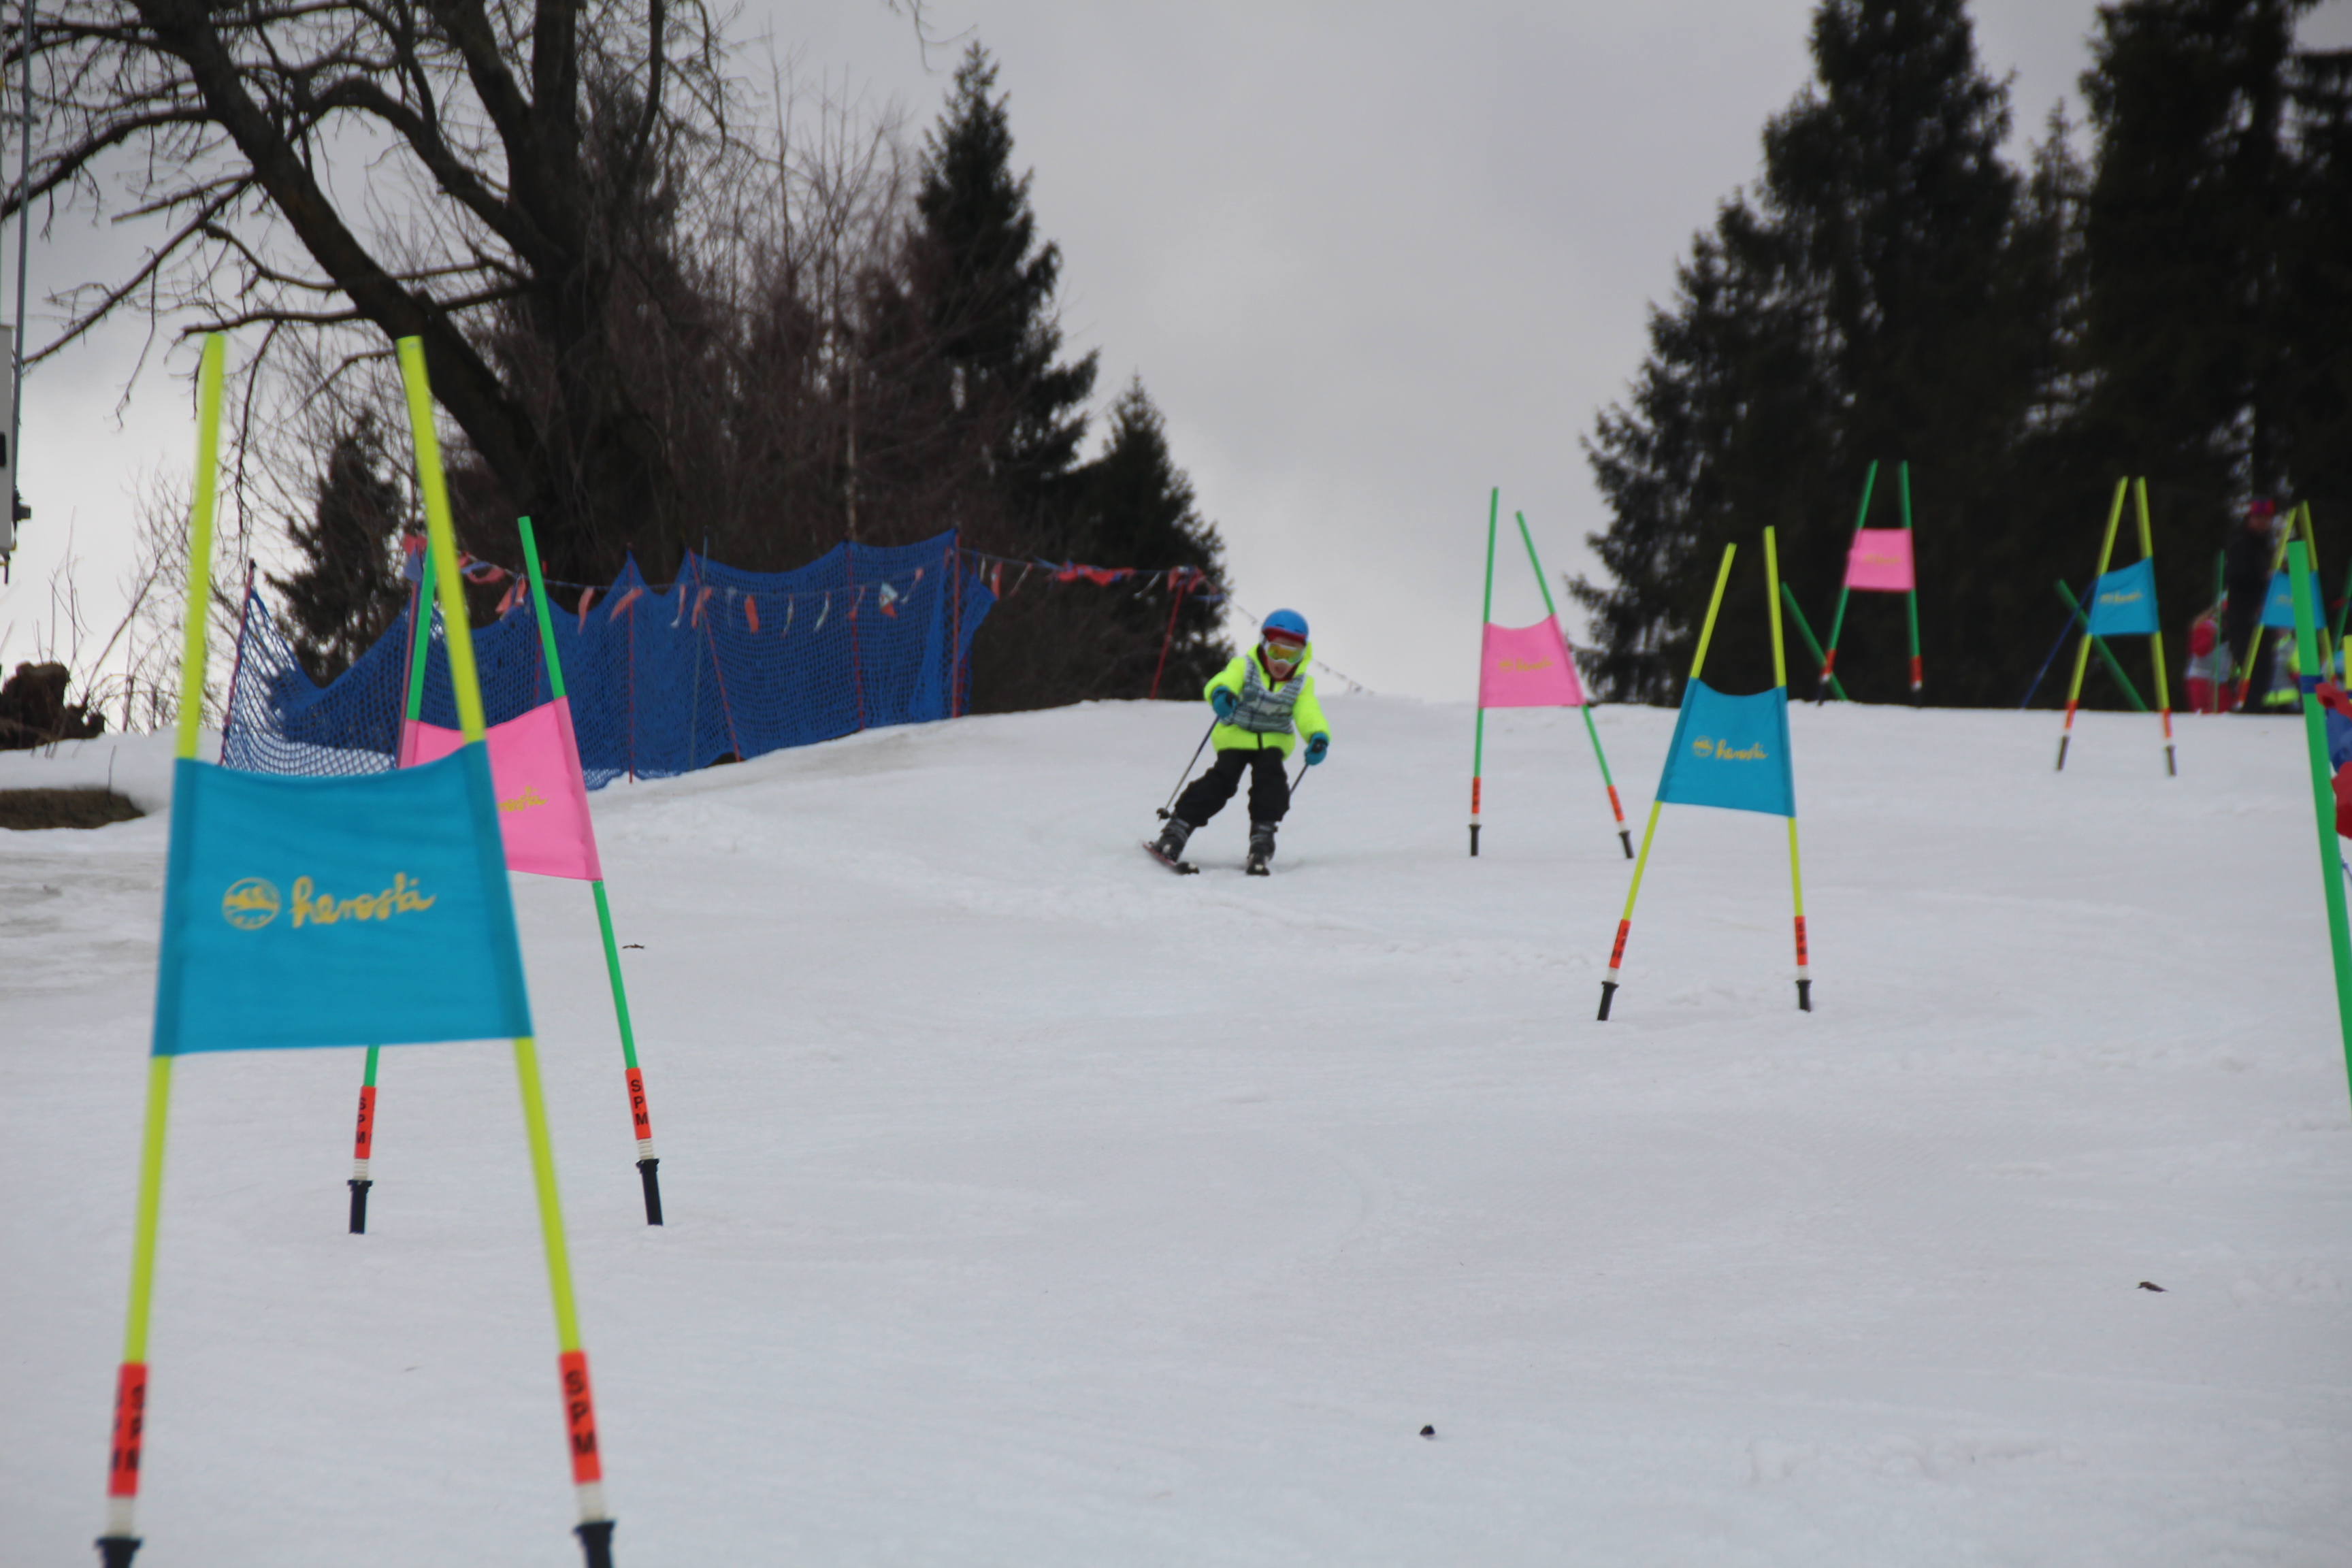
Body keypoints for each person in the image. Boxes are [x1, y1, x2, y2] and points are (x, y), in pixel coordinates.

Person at [1149, 608, 1330, 875]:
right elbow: (1225, 680)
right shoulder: (1245, 667)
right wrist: (1222, 693)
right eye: (1276, 652)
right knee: (1222, 781)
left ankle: (1263, 838)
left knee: (1271, 780)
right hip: (1236, 733)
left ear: (1303, 655)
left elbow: (1309, 712)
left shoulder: (1301, 684)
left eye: (1292, 655)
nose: (1282, 662)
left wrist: (1318, 736)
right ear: (1264, 646)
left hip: (1272, 740)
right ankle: (1177, 830)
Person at [2222, 497, 2279, 710]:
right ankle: (2250, 710)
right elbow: (2236, 576)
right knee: (2254, 665)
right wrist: (2264, 577)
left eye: (2267, 518)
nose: (2263, 522)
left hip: (2259, 615)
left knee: (2263, 666)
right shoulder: (2242, 543)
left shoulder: (2261, 545)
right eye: (2259, 518)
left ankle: (2254, 709)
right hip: (2244, 616)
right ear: (2250, 518)